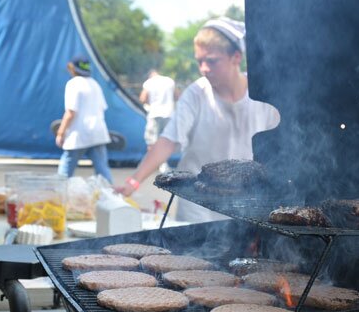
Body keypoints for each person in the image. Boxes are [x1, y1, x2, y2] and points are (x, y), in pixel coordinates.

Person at [116, 17, 281, 223]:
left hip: (244, 202)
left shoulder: (261, 93)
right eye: (199, 61)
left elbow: (280, 143)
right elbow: (169, 140)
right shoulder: (197, 93)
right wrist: (134, 181)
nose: (203, 68)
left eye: (211, 61)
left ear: (236, 57)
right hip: (197, 203)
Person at [56, 55, 113, 183]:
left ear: (72, 68)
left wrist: (60, 133)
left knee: (64, 174)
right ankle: (113, 198)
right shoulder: (95, 84)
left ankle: (58, 197)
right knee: (103, 172)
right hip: (98, 133)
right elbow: (102, 108)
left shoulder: (73, 84)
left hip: (78, 134)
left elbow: (71, 112)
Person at [139, 69, 176, 149]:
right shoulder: (169, 81)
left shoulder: (149, 82)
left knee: (152, 141)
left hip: (154, 113)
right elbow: (176, 96)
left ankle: (154, 161)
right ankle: (164, 160)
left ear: (150, 75)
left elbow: (142, 98)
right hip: (169, 114)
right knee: (166, 140)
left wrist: (149, 103)